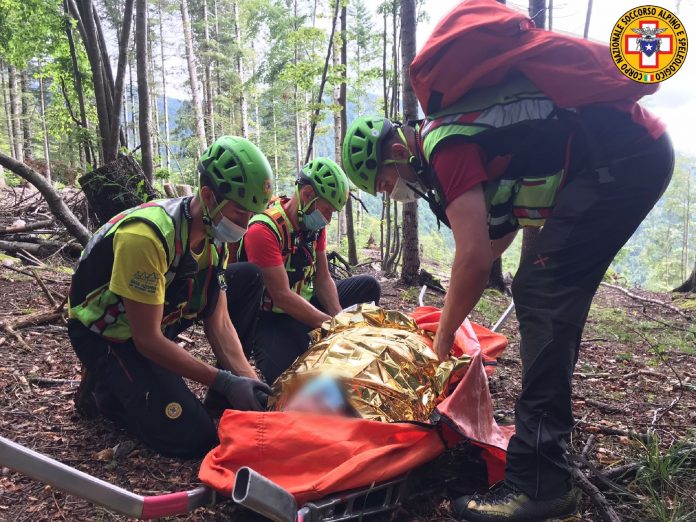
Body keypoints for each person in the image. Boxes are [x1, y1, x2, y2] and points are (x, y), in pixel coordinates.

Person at [342, 51, 673, 522]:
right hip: (630, 155)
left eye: (385, 182)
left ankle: (538, 483)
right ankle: (548, 448)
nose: (392, 192)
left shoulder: (442, 146)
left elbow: (474, 257)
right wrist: (465, 278)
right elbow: (498, 235)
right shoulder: (449, 140)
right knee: (547, 292)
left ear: (396, 154)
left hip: (623, 159)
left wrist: (440, 343)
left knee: (541, 291)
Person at [68, 136, 275, 458]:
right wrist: (223, 381)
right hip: (108, 332)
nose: (244, 225)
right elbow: (147, 340)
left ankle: (222, 402)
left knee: (247, 276)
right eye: (239, 213)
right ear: (208, 196)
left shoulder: (212, 236)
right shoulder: (147, 236)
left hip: (154, 314)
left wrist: (249, 383)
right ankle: (106, 392)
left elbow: (219, 321)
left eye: (251, 215)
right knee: (194, 438)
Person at [238, 158, 381, 383]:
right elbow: (282, 296)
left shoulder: (314, 225)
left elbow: (323, 278)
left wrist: (339, 318)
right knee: (295, 379)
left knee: (368, 287)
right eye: (327, 210)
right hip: (271, 317)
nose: (329, 219)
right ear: (307, 195)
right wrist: (330, 325)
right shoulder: (263, 230)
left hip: (305, 301)